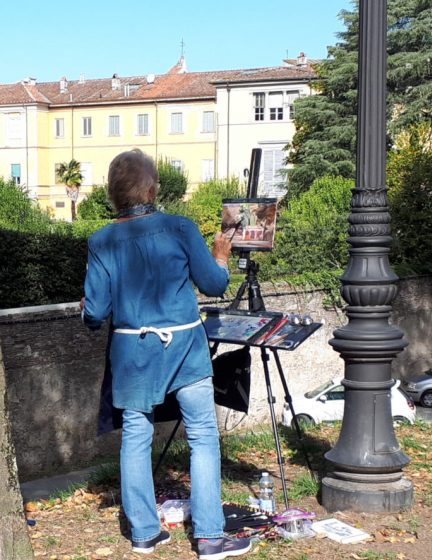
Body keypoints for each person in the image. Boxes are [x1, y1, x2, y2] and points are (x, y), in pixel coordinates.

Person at [81, 149, 252, 560]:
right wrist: (222, 254)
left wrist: (87, 305)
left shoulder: (100, 240)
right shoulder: (180, 227)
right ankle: (210, 537)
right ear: (154, 187)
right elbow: (213, 284)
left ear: (112, 194)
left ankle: (144, 533)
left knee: (136, 437)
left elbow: (95, 314)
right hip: (185, 349)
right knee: (203, 437)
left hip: (132, 351)